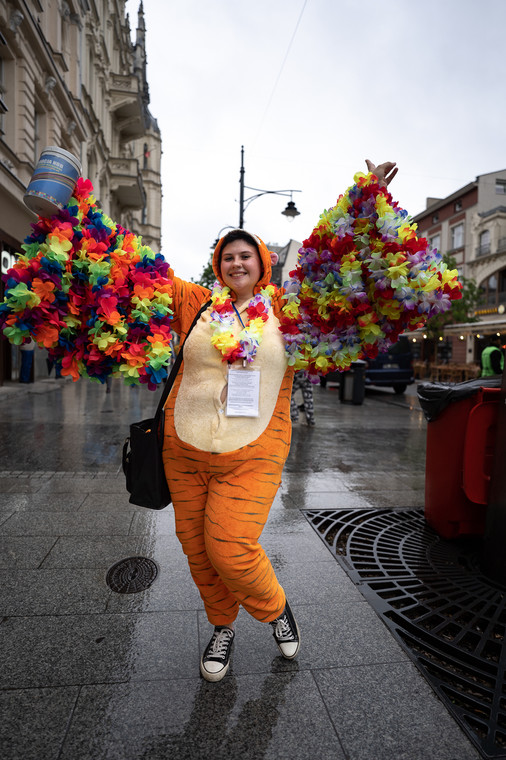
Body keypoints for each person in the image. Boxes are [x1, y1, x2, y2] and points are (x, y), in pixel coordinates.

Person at [161, 160, 398, 681]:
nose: (236, 263)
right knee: (198, 552)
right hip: (183, 448)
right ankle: (221, 626)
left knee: (230, 548)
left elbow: (333, 268)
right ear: (217, 266)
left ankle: (275, 609)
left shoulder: (289, 312)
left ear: (263, 263)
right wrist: (71, 214)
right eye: (227, 257)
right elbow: (143, 280)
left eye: (246, 255)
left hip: (254, 454)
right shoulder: (198, 305)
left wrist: (365, 201)